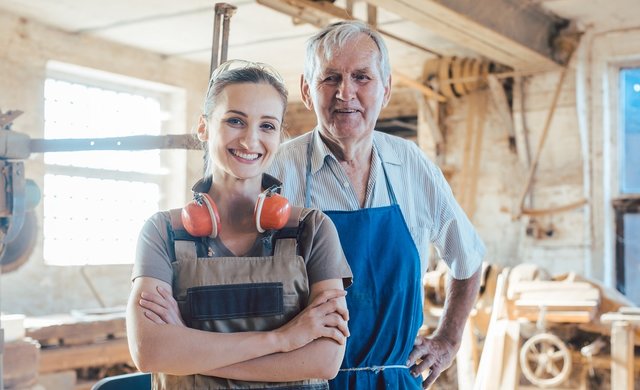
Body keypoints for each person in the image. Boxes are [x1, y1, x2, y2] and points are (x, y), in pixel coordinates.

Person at [267, 20, 486, 389]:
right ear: (306, 90)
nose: (345, 93)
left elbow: (468, 258)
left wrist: (448, 340)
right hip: (302, 383)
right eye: (330, 78)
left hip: (394, 380)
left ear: (385, 90)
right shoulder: (275, 171)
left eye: (362, 77)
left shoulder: (411, 164)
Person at [126, 60, 353, 390]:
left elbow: (324, 360)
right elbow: (150, 351)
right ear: (203, 127)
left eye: (267, 126)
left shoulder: (312, 230)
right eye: (235, 121)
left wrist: (190, 351)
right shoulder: (163, 232)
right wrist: (285, 338)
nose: (250, 141)